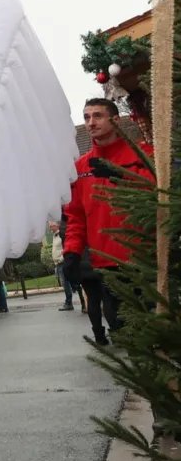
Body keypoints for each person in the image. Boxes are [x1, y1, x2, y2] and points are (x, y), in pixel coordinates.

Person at [62, 98, 154, 345]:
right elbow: (76, 217)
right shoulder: (80, 167)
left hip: (145, 260)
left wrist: (121, 176)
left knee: (154, 332)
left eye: (98, 116)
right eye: (86, 117)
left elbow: (158, 193)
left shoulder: (144, 155)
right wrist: (71, 253)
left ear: (115, 120)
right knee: (123, 332)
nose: (91, 123)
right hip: (106, 264)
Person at [50, 220, 85, 313]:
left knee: (72, 283)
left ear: (56, 226)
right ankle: (71, 302)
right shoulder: (54, 236)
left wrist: (62, 258)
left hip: (64, 262)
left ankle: (79, 302)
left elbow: (65, 247)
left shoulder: (62, 235)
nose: (50, 228)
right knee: (66, 283)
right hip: (58, 263)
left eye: (51, 226)